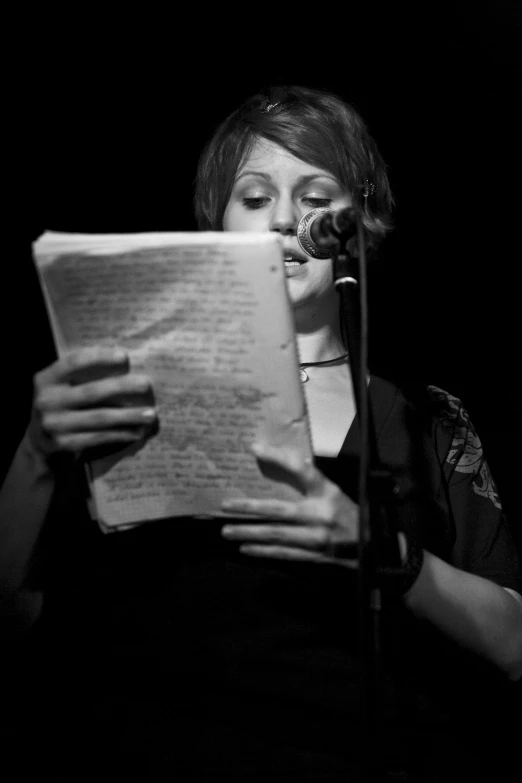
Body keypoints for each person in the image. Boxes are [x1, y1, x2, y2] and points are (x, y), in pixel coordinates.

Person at [1, 85, 521, 782]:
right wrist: (36, 450)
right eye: (254, 197)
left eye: (314, 196)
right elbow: (12, 609)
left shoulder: (427, 418)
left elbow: (515, 643)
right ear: (218, 225)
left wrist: (392, 556)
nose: (283, 218)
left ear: (358, 224)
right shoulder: (131, 392)